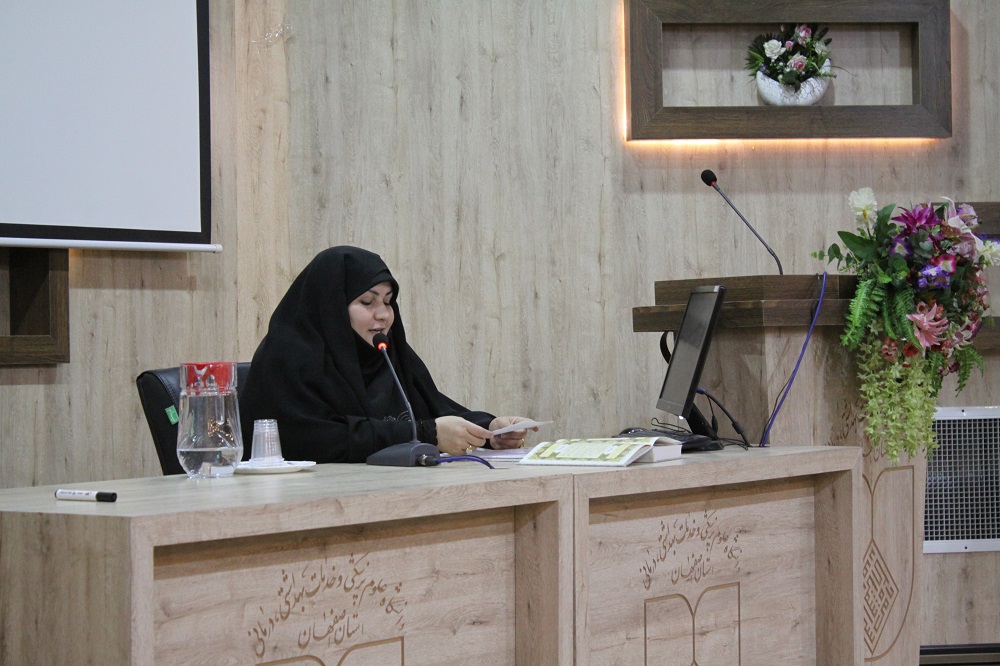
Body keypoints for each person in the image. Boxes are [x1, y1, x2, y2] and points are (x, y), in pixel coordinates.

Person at [239, 246, 536, 463]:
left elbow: (431, 409)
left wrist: (489, 430)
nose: (383, 314)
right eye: (367, 302)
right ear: (331, 307)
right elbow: (311, 440)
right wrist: (426, 434)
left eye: (388, 301)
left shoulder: (384, 352)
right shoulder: (288, 356)